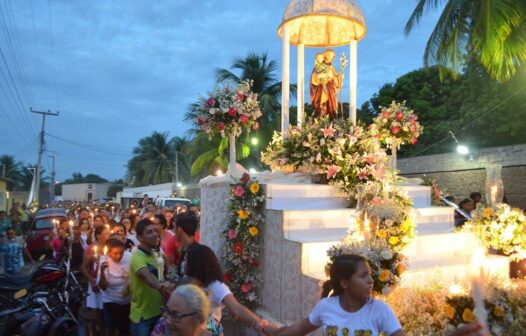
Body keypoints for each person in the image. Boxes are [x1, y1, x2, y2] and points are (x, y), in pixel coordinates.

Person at [268, 254, 403, 336]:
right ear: (345, 283)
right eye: (363, 276)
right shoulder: (326, 306)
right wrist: (274, 332)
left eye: (370, 275)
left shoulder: (379, 309)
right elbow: (300, 328)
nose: (371, 280)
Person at [185, 244, 269, 335]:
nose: (183, 264)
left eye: (186, 261)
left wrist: (259, 323)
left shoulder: (216, 286)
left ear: (195, 265)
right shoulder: (189, 282)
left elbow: (236, 308)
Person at [129, 219, 172, 336]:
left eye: (155, 231)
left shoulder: (156, 254)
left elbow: (161, 276)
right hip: (143, 317)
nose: (154, 234)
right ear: (140, 238)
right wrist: (160, 286)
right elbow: (146, 275)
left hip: (158, 312)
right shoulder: (137, 256)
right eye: (149, 232)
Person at [80, 225, 111, 335]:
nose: (108, 236)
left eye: (109, 233)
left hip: (109, 281)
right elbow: (83, 267)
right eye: (105, 234)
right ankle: (102, 330)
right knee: (99, 309)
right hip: (95, 282)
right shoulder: (91, 249)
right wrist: (92, 281)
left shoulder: (110, 247)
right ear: (98, 236)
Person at [99, 238, 132, 336]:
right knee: (111, 326)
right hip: (110, 299)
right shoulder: (103, 259)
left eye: (121, 252)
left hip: (127, 300)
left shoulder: (130, 257)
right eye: (115, 253)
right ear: (109, 252)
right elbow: (103, 287)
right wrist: (102, 272)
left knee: (125, 328)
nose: (119, 256)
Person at [310, 49, 343, 119]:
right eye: (332, 56)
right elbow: (314, 78)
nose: (334, 58)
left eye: (334, 56)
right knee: (322, 108)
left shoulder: (332, 68)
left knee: (332, 108)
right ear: (326, 56)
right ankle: (321, 121)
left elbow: (336, 82)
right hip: (321, 91)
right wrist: (322, 76)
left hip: (331, 92)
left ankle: (332, 121)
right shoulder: (319, 66)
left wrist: (339, 78)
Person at [174, 212, 199, 278]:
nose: (174, 232)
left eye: (174, 227)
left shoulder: (194, 252)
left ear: (179, 230)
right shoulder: (184, 249)